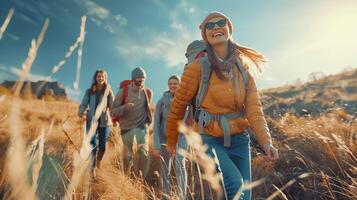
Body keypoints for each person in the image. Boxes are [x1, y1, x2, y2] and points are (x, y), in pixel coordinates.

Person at [166, 12, 279, 200]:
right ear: (205, 36)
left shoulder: (243, 69)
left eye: (221, 22)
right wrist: (171, 141)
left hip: (240, 140)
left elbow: (254, 109)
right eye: (209, 26)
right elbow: (178, 106)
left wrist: (266, 142)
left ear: (228, 29)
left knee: (246, 196)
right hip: (209, 137)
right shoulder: (196, 68)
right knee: (235, 186)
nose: (216, 27)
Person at [111, 67, 153, 180]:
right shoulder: (123, 92)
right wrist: (125, 107)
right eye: (139, 77)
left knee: (144, 154)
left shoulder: (147, 92)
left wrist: (148, 123)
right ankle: (128, 178)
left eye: (143, 78)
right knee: (128, 156)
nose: (141, 80)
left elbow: (147, 108)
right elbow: (113, 111)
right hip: (126, 128)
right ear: (133, 78)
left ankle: (142, 180)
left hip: (141, 127)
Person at [153, 75, 188, 199]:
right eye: (171, 83)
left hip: (181, 138)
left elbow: (186, 122)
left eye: (175, 83)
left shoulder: (185, 100)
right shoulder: (161, 102)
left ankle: (182, 196)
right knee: (165, 168)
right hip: (165, 139)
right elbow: (156, 123)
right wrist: (156, 145)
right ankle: (165, 196)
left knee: (180, 164)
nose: (173, 85)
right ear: (168, 85)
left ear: (180, 85)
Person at [79, 69, 114, 177]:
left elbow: (112, 106)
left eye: (102, 76)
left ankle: (98, 162)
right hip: (91, 121)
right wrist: (81, 112)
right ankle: (93, 167)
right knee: (92, 146)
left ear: (105, 78)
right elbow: (84, 103)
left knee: (102, 147)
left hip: (104, 121)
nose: (100, 78)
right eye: (98, 76)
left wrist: (115, 118)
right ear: (95, 78)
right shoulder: (89, 91)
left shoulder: (108, 91)